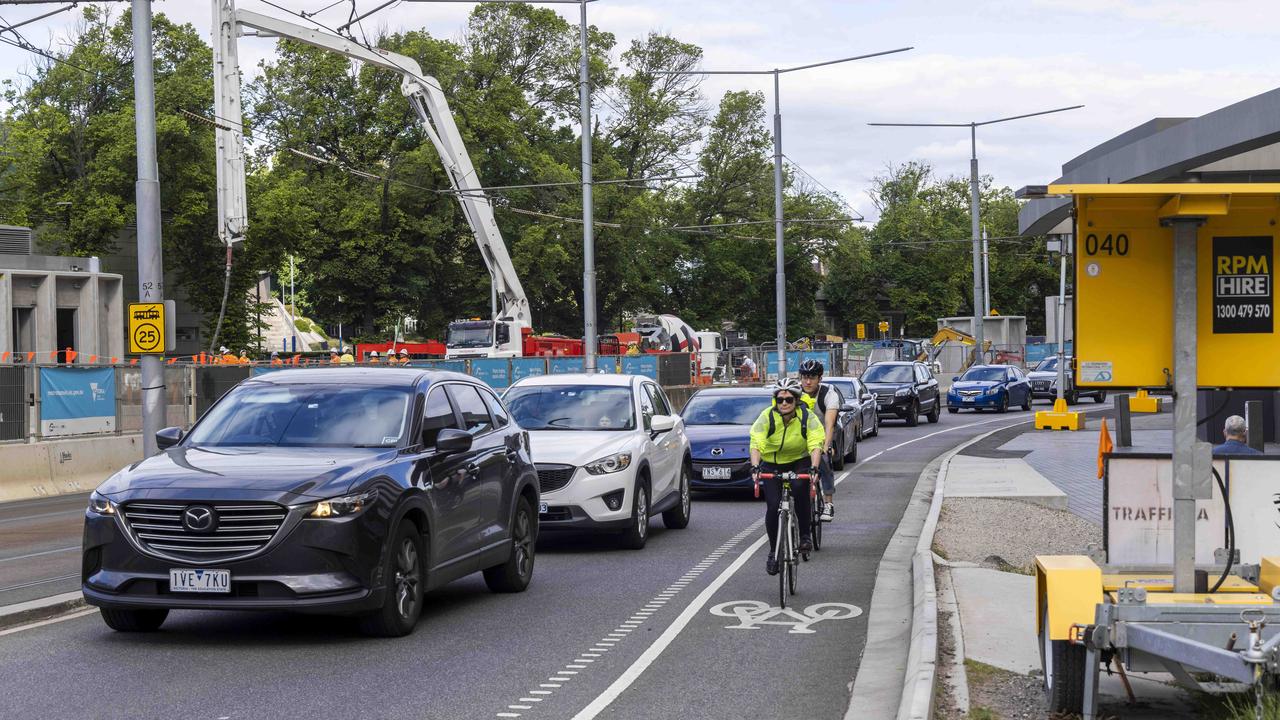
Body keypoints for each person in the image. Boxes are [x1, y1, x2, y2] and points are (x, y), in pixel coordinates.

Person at [749, 378, 824, 576]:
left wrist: (814, 468)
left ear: (797, 400)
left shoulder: (807, 417)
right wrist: (755, 466)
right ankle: (774, 552)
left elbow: (816, 442)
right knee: (773, 506)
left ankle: (805, 536)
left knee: (800, 488)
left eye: (789, 399)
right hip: (772, 463)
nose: (783, 403)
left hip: (799, 460)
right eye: (780, 399)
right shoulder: (767, 417)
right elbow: (756, 442)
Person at [798, 359, 840, 522]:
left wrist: (826, 447)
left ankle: (828, 503)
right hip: (801, 436)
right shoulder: (796, 394)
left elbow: (829, 425)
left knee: (824, 461)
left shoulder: (828, 394)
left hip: (823, 435)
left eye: (813, 377)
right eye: (804, 377)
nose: (808, 382)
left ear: (820, 379)